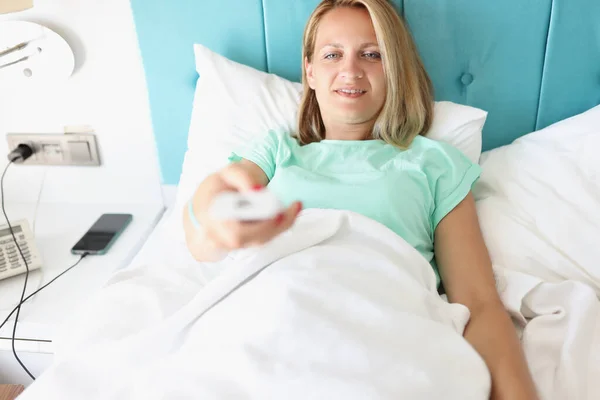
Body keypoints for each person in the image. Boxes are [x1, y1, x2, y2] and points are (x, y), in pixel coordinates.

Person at [183, 0, 539, 398]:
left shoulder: (435, 164)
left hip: (384, 321)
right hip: (276, 307)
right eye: (332, 54)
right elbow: (206, 219)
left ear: (394, 70)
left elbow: (478, 301)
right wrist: (214, 214)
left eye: (372, 54)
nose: (350, 70)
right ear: (310, 71)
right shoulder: (276, 152)